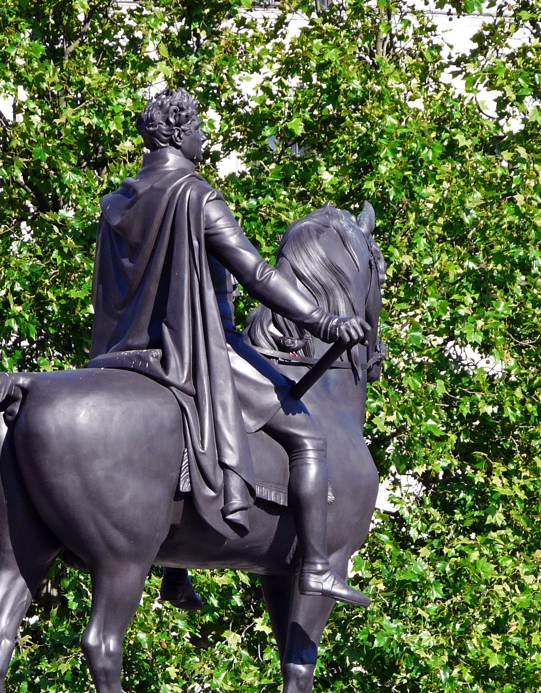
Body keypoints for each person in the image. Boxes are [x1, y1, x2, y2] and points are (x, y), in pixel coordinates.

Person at [88, 88, 369, 607]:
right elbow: (258, 273)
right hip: (197, 347)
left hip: (124, 354)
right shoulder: (194, 194)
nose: (203, 138)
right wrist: (324, 320)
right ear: (177, 133)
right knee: (306, 435)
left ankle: (173, 570)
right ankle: (315, 566)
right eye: (197, 129)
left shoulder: (117, 202)